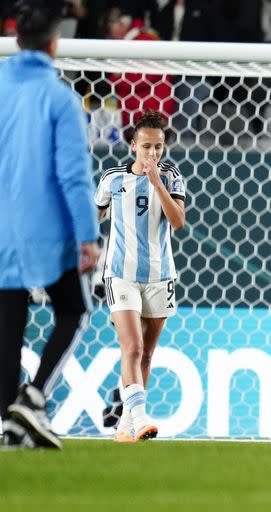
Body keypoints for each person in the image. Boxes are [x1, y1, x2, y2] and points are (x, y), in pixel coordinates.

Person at [0, 0, 100, 449]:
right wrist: (88, 237)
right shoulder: (59, 97)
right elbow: (73, 175)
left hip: (2, 233)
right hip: (48, 233)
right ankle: (35, 396)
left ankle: (8, 422)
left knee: (7, 324)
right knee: (75, 311)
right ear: (55, 42)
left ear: (15, 37)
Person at [95, 110, 186, 442]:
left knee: (146, 353)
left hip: (160, 276)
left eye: (159, 147)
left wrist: (157, 183)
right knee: (131, 347)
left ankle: (125, 424)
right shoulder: (113, 179)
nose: (153, 153)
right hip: (121, 274)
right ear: (132, 145)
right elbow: (96, 213)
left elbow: (177, 221)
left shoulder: (171, 177)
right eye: (147, 146)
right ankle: (141, 417)